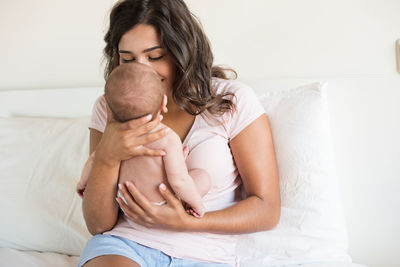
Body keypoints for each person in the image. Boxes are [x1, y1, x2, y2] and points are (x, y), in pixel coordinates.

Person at [78, 0, 280, 266]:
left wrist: (185, 222)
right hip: (126, 245)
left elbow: (266, 209)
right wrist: (106, 156)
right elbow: (97, 224)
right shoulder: (110, 108)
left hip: (206, 254)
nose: (141, 69)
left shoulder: (232, 100)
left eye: (155, 56)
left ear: (182, 52)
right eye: (128, 59)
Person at [76, 62, 211, 217]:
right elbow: (179, 180)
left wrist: (82, 184)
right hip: (161, 203)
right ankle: (188, 206)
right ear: (163, 103)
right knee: (202, 177)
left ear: (107, 106)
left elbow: (94, 161)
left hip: (127, 203)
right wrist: (198, 205)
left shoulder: (112, 141)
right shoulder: (166, 138)